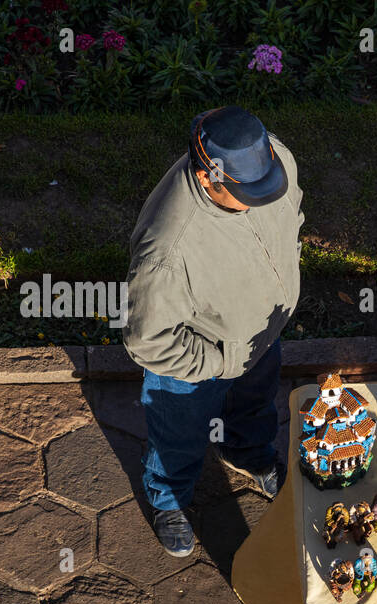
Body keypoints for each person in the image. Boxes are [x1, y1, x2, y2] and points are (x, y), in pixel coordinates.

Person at [122, 106, 306, 555]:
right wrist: (220, 362)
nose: (262, 198)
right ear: (208, 179)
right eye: (250, 193)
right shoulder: (167, 249)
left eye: (267, 186)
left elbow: (291, 212)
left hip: (259, 336)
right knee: (179, 436)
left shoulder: (274, 158)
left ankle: (247, 452)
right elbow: (148, 340)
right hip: (194, 362)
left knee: (255, 403)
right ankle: (169, 498)